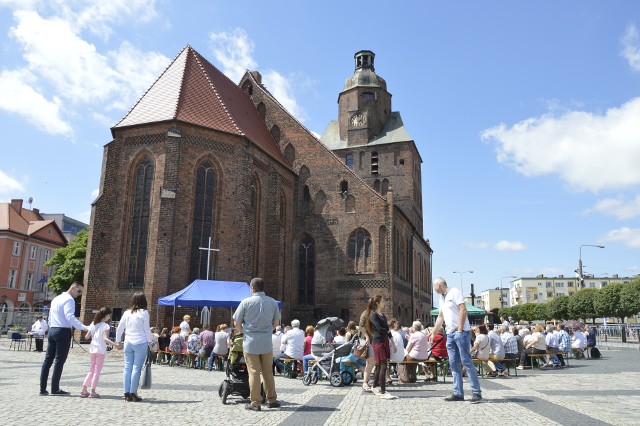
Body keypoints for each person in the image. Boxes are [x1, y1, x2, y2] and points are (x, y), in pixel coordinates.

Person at [430, 277, 482, 403]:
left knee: (466, 361)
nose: (433, 288)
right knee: (453, 363)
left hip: (461, 332)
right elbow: (440, 317)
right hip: (449, 333)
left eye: (434, 286)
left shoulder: (454, 292)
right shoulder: (442, 298)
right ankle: (458, 393)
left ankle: (476, 392)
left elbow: (463, 309)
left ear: (439, 285)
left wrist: (459, 329)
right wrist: (433, 332)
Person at [233, 277, 281, 411]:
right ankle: (272, 400)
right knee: (268, 373)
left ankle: (256, 403)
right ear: (263, 288)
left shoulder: (246, 302)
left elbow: (236, 323)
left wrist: (244, 332)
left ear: (252, 289)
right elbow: (276, 324)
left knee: (253, 372)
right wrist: (266, 332)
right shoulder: (272, 302)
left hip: (250, 343)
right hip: (266, 343)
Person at [40, 282, 89, 396]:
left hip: (53, 330)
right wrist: (83, 327)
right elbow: (70, 317)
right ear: (73, 288)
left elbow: (51, 316)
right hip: (62, 331)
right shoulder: (69, 300)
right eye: (79, 291)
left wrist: (51, 328)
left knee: (47, 360)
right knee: (59, 361)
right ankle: (55, 388)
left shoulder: (56, 298)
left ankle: (42, 389)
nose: (79, 294)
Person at [115, 292, 153, 402]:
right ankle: (133, 392)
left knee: (127, 368)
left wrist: (118, 341)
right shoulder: (144, 313)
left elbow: (120, 327)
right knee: (136, 368)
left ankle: (126, 393)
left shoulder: (127, 313)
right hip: (140, 342)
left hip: (128, 342)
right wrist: (150, 342)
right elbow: (146, 329)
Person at [80, 307, 117, 398]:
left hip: (92, 349)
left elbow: (87, 337)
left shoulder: (93, 324)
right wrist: (115, 344)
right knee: (97, 371)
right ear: (106, 316)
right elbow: (105, 338)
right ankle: (93, 391)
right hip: (100, 350)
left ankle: (84, 389)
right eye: (109, 315)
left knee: (91, 370)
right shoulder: (105, 326)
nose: (109, 317)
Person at [367, 295, 397, 399]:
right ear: (377, 303)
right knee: (384, 365)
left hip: (385, 341)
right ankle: (383, 392)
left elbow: (387, 330)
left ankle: (374, 386)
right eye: (383, 301)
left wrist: (393, 343)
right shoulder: (373, 315)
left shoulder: (383, 315)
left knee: (380, 366)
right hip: (378, 342)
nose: (384, 303)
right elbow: (379, 329)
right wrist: (388, 330)